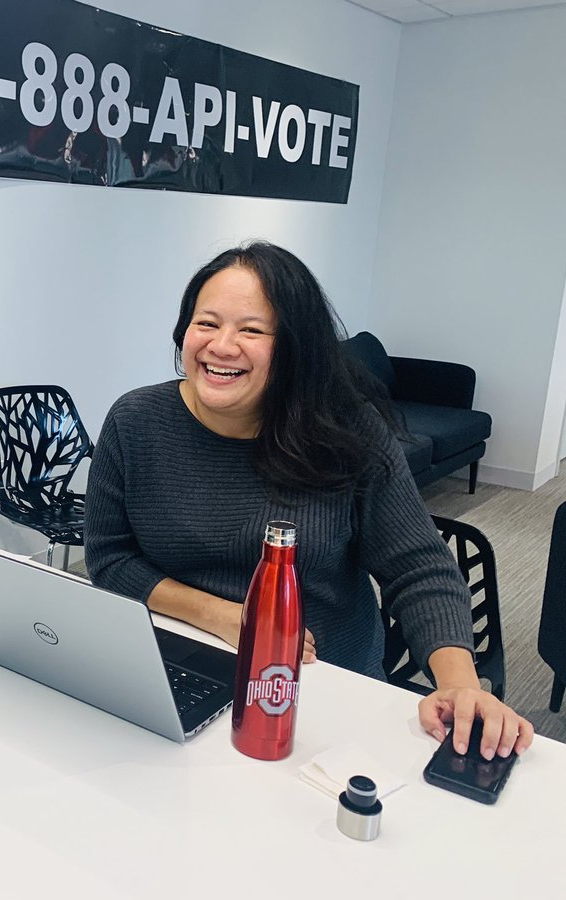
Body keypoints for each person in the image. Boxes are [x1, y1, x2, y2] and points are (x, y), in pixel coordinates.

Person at [84, 241, 533, 761]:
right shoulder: (135, 421)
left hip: (319, 686)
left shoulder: (347, 430)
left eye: (252, 330)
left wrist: (460, 685)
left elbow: (418, 568)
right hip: (177, 666)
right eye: (206, 323)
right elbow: (110, 558)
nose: (221, 346)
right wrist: (224, 617)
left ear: (297, 347)